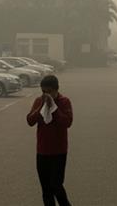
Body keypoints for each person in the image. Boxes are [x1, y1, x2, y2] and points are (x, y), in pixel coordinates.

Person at [26, 75, 73, 206]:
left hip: (58, 151)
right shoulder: (39, 101)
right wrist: (41, 106)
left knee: (56, 186)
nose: (46, 95)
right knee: (46, 190)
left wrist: (54, 108)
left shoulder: (64, 102)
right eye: (43, 92)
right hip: (42, 151)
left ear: (56, 89)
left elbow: (67, 122)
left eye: (49, 92)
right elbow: (30, 121)